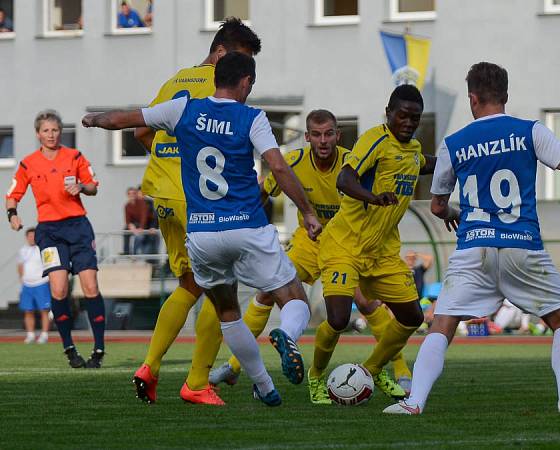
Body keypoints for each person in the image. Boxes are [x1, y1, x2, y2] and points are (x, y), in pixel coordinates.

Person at [383, 62, 560, 415]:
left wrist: (453, 214)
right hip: (521, 242)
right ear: (505, 96)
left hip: (474, 246)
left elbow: (438, 205)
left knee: (443, 324)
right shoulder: (529, 131)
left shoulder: (453, 143)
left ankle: (414, 402)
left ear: (472, 99)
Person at [83, 51, 322, 407]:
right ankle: (286, 335)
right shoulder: (252, 117)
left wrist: (94, 119)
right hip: (247, 227)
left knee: (228, 313)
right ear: (246, 82)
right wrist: (307, 211)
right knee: (294, 299)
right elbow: (279, 168)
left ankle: (266, 387)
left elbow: (126, 119)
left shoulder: (182, 109)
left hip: (203, 233)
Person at [208, 109, 415, 401]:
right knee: (268, 293)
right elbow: (262, 193)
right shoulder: (292, 163)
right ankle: (234, 366)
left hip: (345, 244)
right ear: (306, 137)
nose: (323, 140)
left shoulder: (353, 163)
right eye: (316, 134)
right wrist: (246, 226)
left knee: (368, 303)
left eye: (329, 133)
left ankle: (401, 370)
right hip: (308, 243)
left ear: (338, 136)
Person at [125, 17, 262, 404]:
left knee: (189, 284)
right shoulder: (223, 87)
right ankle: (197, 382)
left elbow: (140, 130)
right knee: (226, 293)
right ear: (221, 52)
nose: (246, 73)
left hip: (165, 197)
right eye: (242, 60)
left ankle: (149, 366)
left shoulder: (174, 82)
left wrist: (170, 158)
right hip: (204, 200)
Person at [308, 84, 437, 403]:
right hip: (343, 245)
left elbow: (425, 162)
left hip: (381, 251)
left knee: (412, 317)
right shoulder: (374, 140)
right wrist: (373, 197)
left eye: (415, 118)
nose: (408, 122)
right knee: (338, 319)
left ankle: (372, 369)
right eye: (402, 116)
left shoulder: (412, 150)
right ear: (389, 113)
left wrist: (461, 159)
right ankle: (316, 378)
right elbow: (345, 178)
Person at [6, 109, 105, 369]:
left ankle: (98, 350)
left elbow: (93, 186)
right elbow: (12, 194)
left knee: (90, 286)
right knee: (59, 289)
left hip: (79, 227)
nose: (51, 135)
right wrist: (12, 215)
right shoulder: (28, 163)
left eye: (55, 130)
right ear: (38, 134)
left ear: (61, 132)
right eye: (46, 130)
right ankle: (69, 349)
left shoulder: (75, 156)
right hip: (49, 231)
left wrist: (82, 187)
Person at [17, 228, 51, 344]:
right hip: (27, 284)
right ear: (26, 237)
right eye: (29, 236)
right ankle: (30, 334)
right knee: (28, 310)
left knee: (44, 310)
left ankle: (44, 335)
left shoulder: (43, 249)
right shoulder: (23, 251)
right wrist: (22, 279)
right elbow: (20, 265)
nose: (31, 238)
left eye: (33, 236)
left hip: (41, 283)